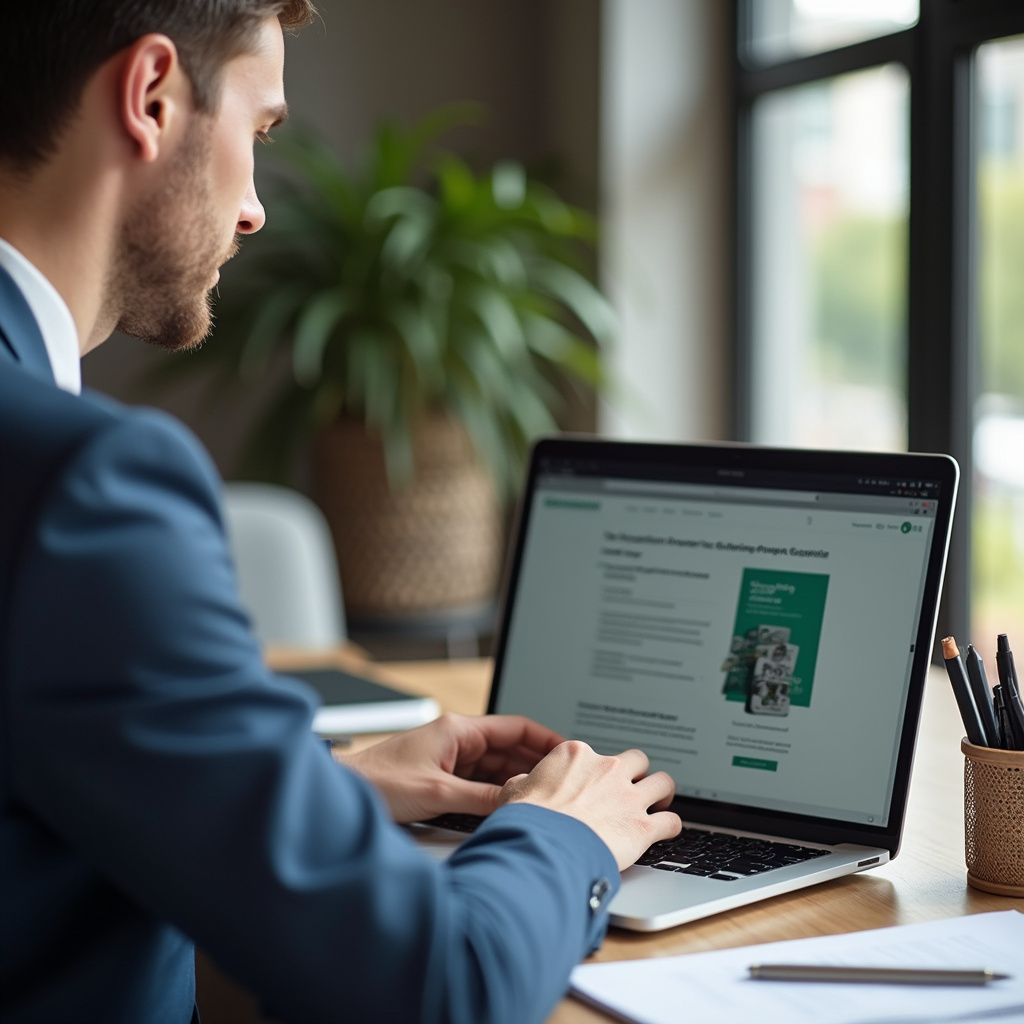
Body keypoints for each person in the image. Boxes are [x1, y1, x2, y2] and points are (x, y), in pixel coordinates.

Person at [0, 4, 681, 1022]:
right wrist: (565, 830)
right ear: (150, 97)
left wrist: (322, 792)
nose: (254, 211)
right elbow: (434, 985)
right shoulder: (85, 484)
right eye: (259, 131)